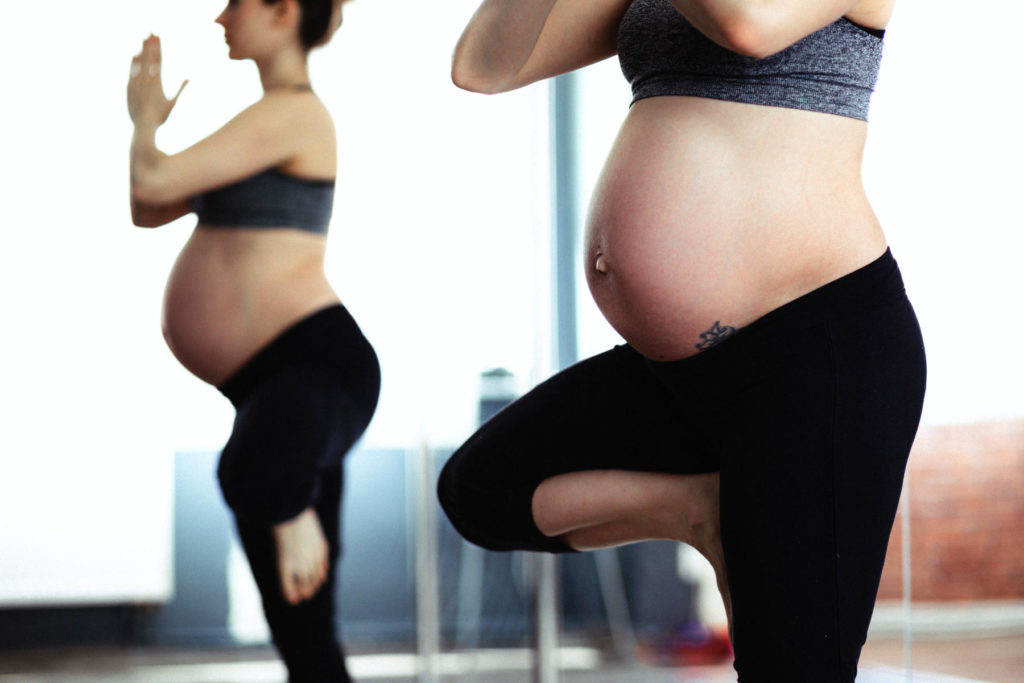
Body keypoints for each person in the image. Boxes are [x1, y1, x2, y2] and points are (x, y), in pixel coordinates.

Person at [437, 1, 925, 680]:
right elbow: (483, 66)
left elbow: (748, 26)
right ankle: (700, 511)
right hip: (682, 375)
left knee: (792, 667)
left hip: (813, 352)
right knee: (483, 488)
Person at [127, 1, 378, 680]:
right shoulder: (263, 123)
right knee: (302, 626)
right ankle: (285, 501)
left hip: (315, 367)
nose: (220, 18)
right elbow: (148, 207)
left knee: (255, 476)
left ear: (282, 10)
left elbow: (151, 176)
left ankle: (289, 502)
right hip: (277, 383)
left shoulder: (294, 112)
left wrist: (147, 119)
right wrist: (146, 127)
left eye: (235, 2)